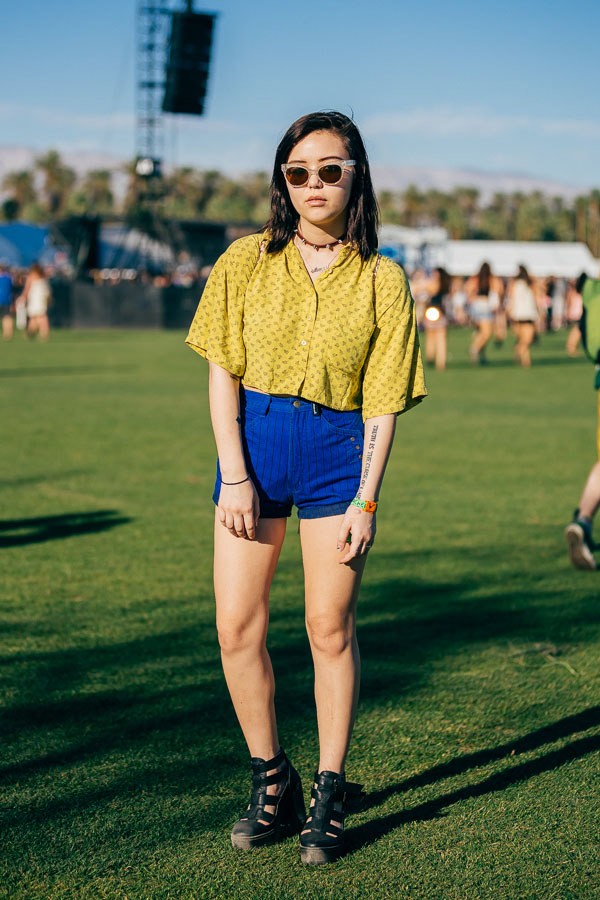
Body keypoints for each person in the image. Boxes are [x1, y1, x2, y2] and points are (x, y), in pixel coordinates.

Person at [185, 111, 427, 865]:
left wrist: (367, 499)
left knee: (329, 626)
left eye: (329, 170)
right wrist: (233, 473)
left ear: (356, 175)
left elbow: (383, 402)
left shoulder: (383, 279)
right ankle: (272, 778)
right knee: (236, 627)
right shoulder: (244, 261)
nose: (313, 184)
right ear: (281, 181)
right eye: (298, 172)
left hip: (336, 455)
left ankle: (329, 787)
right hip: (253, 450)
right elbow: (221, 373)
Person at [465, 262, 502, 364]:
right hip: (486, 307)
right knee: (486, 332)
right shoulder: (492, 279)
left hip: (475, 307)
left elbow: (468, 291)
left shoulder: (474, 279)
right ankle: (474, 349)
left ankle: (481, 356)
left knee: (480, 332)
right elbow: (498, 291)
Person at [506, 265, 539, 367]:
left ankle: (524, 359)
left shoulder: (515, 284)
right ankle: (523, 356)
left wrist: (509, 311)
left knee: (523, 339)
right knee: (526, 340)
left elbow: (511, 298)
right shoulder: (530, 284)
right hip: (527, 313)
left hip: (518, 314)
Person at [420, 266, 450, 370]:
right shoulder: (446, 285)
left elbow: (429, 291)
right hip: (439, 312)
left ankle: (432, 358)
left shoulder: (434, 284)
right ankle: (439, 362)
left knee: (432, 336)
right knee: (439, 338)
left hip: (433, 311)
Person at [18, 262, 52, 340]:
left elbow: (27, 289)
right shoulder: (43, 277)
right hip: (42, 299)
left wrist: (23, 297)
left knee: (38, 317)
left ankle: (41, 333)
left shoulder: (31, 277)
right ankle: (32, 333)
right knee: (37, 316)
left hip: (35, 298)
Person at [0, 262, 14, 340]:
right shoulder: (8, 278)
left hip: (3, 300)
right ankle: (8, 333)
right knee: (7, 317)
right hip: (7, 300)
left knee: (6, 317)